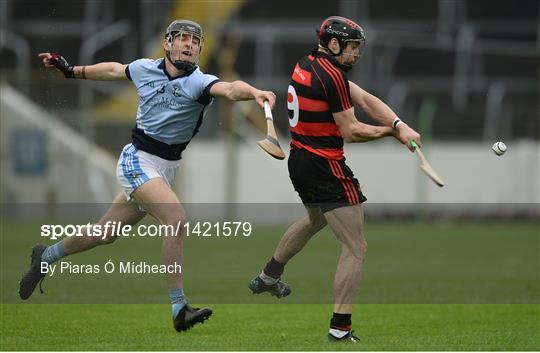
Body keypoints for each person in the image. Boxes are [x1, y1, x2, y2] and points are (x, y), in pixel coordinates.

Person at [19, 19, 276, 333]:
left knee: (105, 233)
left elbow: (231, 89)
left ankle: (46, 255)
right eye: (181, 38)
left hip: (165, 169)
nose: (188, 44)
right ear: (167, 44)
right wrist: (71, 70)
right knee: (176, 219)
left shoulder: (199, 82)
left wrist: (254, 92)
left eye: (194, 41)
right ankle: (180, 308)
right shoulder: (144, 68)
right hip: (137, 159)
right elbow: (115, 70)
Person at [248, 16, 421, 342]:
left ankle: (270, 274)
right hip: (325, 165)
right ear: (333, 43)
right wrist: (390, 133)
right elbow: (352, 131)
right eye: (352, 47)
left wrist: (399, 124)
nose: (356, 54)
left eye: (358, 48)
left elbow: (366, 100)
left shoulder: (308, 63)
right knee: (356, 247)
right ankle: (340, 328)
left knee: (315, 221)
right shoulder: (331, 76)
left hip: (300, 161)